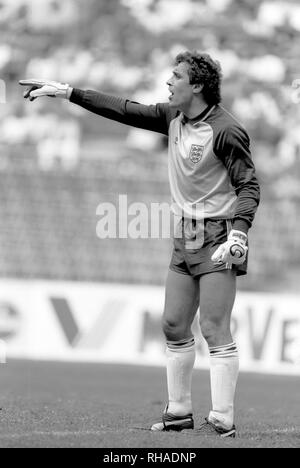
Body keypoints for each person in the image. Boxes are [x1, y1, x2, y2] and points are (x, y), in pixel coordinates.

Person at [19, 50, 260, 438]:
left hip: (218, 234)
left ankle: (223, 418)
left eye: (176, 76)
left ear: (197, 85)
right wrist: (68, 93)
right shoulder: (174, 118)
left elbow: (248, 184)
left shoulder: (226, 129)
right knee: (172, 324)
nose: (168, 82)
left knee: (214, 327)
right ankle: (179, 412)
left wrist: (239, 232)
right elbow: (125, 110)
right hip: (185, 233)